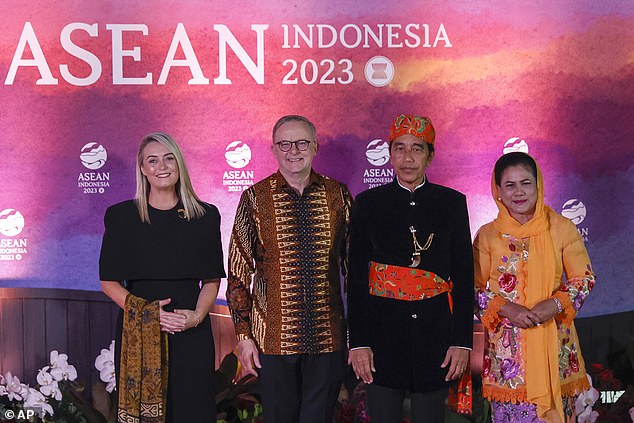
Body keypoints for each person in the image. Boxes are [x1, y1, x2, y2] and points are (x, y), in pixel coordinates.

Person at [347, 114, 474, 423]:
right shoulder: (367, 203)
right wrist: (360, 342)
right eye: (400, 149)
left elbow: (464, 274)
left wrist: (461, 341)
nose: (407, 158)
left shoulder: (452, 203)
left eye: (417, 149)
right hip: (382, 338)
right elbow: (356, 279)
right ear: (390, 154)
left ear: (430, 155)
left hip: (436, 337)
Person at [226, 115, 352, 423]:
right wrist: (243, 336)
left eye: (301, 143)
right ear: (273, 149)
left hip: (327, 337)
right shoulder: (254, 198)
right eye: (284, 143)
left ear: (315, 147)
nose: (292, 150)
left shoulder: (339, 195)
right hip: (272, 339)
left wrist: (358, 337)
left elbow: (354, 270)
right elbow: (239, 271)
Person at [99, 132, 225, 423]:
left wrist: (195, 316)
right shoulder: (121, 216)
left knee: (194, 409)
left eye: (169, 158)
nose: (162, 166)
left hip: (190, 329)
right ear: (142, 169)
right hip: (140, 329)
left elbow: (211, 280)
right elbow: (108, 283)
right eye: (152, 160)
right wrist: (147, 313)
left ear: (179, 163)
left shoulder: (205, 215)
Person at [473, 152, 596, 423]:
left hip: (555, 351)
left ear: (538, 185)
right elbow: (474, 290)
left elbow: (583, 278)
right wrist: (507, 308)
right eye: (510, 185)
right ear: (498, 191)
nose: (519, 192)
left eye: (526, 183)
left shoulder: (561, 228)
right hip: (508, 362)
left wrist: (552, 304)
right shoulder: (487, 236)